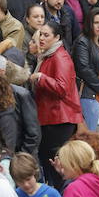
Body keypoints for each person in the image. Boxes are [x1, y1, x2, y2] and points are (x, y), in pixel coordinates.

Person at [30, 21, 83, 188]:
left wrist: (41, 77)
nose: (42, 38)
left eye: (46, 35)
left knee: (57, 167)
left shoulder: (59, 56)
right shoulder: (48, 55)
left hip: (59, 119)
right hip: (51, 118)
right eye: (41, 34)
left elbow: (62, 88)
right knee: (51, 165)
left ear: (57, 37)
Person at [73, 9, 99, 132]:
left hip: (97, 94)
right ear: (90, 23)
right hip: (88, 94)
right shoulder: (83, 42)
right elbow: (84, 69)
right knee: (88, 137)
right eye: (96, 23)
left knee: (90, 134)